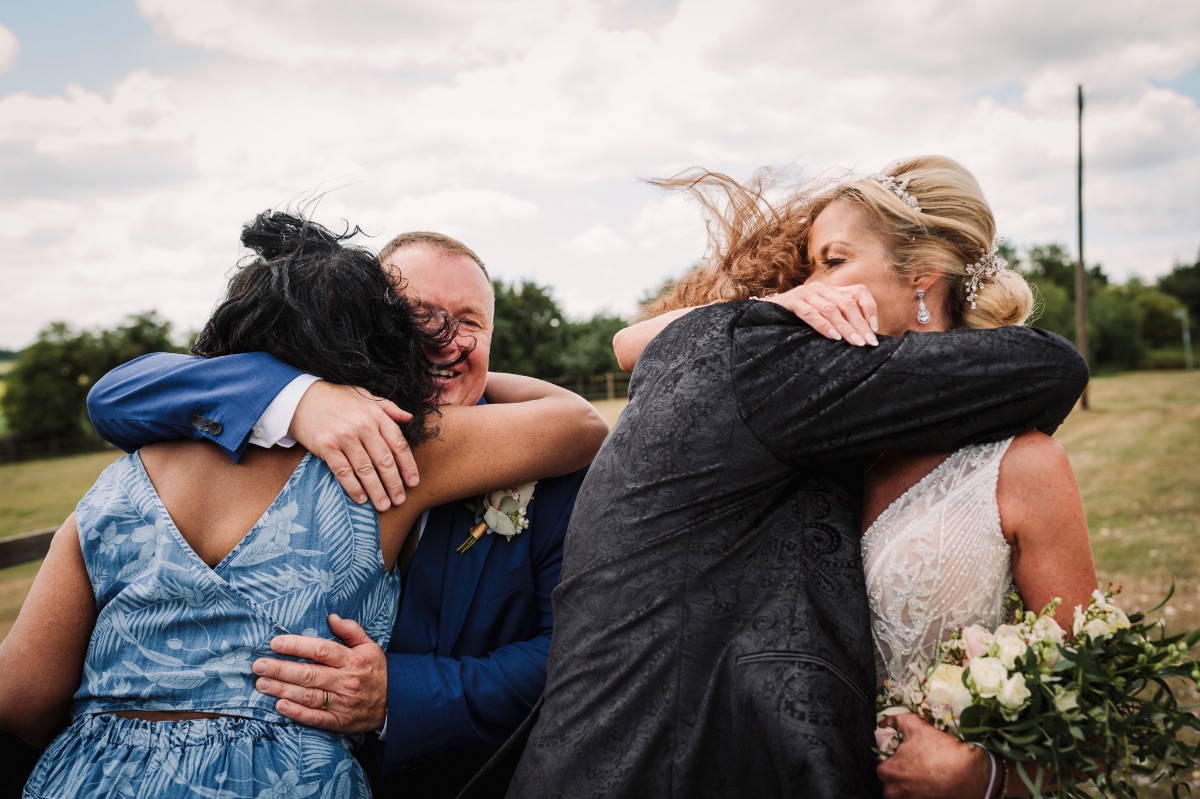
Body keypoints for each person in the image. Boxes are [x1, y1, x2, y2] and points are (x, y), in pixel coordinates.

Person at [464, 156, 1090, 799]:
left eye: (834, 262)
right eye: (809, 269)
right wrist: (776, 305)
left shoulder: (1023, 465)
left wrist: (983, 781)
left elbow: (1086, 717)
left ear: (923, 279)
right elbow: (633, 343)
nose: (813, 287)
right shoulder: (816, 434)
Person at [0, 211, 608, 798]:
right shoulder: (406, 447)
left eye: (466, 322)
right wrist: (298, 397)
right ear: (372, 334)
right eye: (415, 318)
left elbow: (21, 697)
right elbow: (578, 421)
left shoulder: (113, 488)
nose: (440, 339)